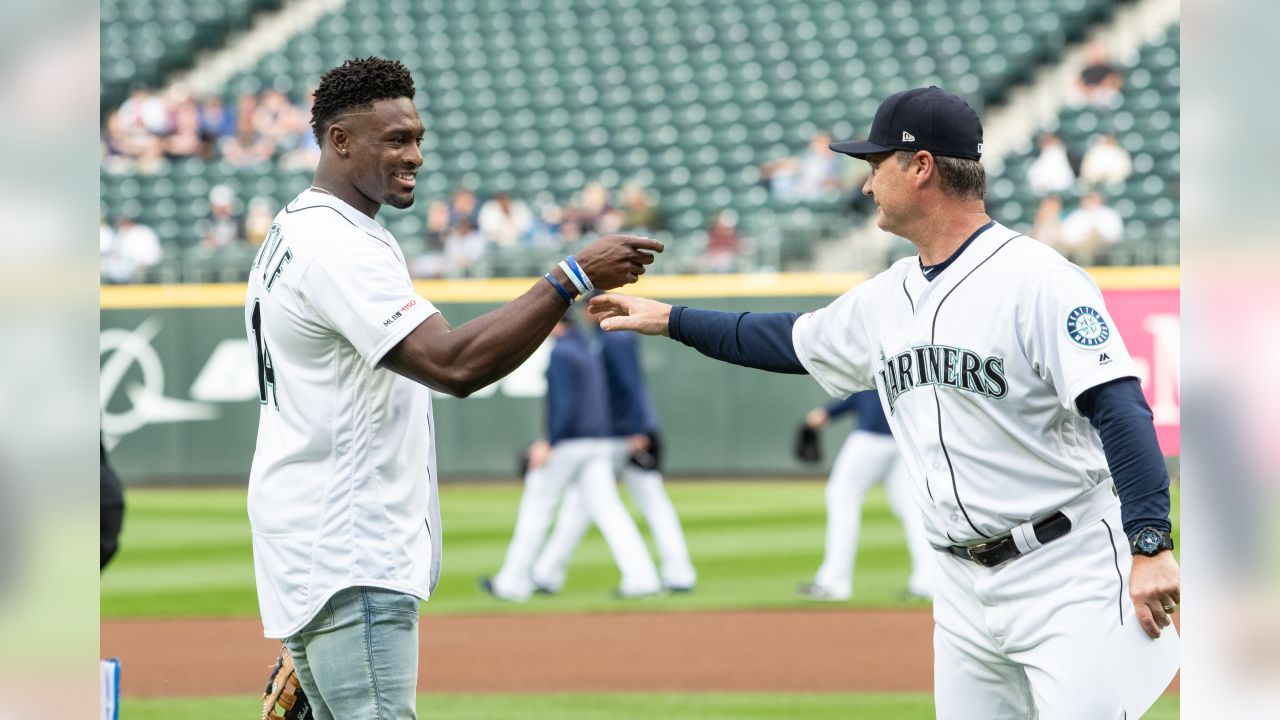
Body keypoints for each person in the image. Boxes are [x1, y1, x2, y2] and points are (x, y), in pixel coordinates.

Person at [589, 86, 1179, 719]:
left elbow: (1119, 407)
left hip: (1067, 569)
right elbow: (784, 340)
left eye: (875, 166)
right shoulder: (887, 295)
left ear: (920, 166)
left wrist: (1150, 542)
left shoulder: (1040, 281)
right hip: (960, 587)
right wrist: (671, 317)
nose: (866, 186)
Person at [244, 56, 661, 720]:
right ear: (339, 141)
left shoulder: (299, 227)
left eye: (418, 138)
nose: (414, 156)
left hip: (314, 547)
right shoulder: (338, 246)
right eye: (396, 139)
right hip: (350, 553)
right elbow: (453, 364)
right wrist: (570, 277)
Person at [479, 315, 662, 602]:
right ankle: (643, 578)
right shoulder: (588, 348)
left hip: (568, 444)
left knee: (536, 510)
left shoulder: (562, 352)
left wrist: (548, 442)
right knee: (610, 512)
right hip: (596, 442)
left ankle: (512, 583)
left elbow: (563, 406)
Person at [530, 317, 696, 594]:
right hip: (618, 432)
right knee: (587, 502)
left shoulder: (613, 337)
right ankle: (547, 573)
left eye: (590, 306)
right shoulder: (598, 338)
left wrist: (638, 429)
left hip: (625, 434)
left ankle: (673, 574)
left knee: (639, 501)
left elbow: (629, 384)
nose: (585, 312)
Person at [796, 390, 933, 602]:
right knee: (913, 509)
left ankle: (834, 582)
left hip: (871, 436)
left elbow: (865, 387)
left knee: (842, 497)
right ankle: (927, 583)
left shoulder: (879, 357)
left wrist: (828, 412)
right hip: (904, 439)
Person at [1060, 190, 1125, 265]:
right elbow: (1065, 236)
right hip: (1079, 246)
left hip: (1104, 246)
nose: (1090, 202)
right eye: (1088, 199)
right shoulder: (1077, 215)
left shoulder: (1109, 214)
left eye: (1092, 199)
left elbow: (1115, 235)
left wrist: (1096, 235)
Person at [1025, 132, 1075, 196]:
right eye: (1044, 141)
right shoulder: (1040, 159)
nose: (1047, 144)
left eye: (1049, 140)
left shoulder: (1066, 155)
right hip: (1045, 194)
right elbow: (1033, 179)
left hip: (1064, 192)